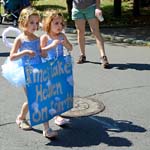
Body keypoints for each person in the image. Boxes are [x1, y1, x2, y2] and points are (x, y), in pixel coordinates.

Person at [1, 7, 58, 139]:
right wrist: (25, 52)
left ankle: (34, 123)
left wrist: (46, 52)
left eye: (37, 23)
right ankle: (28, 121)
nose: (35, 25)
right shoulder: (20, 39)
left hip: (39, 71)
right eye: (31, 22)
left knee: (40, 98)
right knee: (35, 98)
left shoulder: (37, 39)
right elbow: (12, 57)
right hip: (26, 73)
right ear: (23, 23)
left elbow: (41, 53)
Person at [40, 9, 73, 137]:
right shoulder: (45, 37)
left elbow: (70, 48)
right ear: (49, 24)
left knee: (59, 91)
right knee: (49, 93)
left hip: (60, 68)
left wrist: (65, 43)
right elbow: (41, 52)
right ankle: (47, 119)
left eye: (61, 23)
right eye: (56, 23)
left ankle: (57, 116)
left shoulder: (62, 36)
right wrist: (51, 46)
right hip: (48, 69)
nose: (60, 26)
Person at [71, 0, 109, 68]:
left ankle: (103, 57)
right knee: (80, 32)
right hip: (77, 9)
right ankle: (82, 55)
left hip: (91, 7)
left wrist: (97, 8)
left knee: (95, 31)